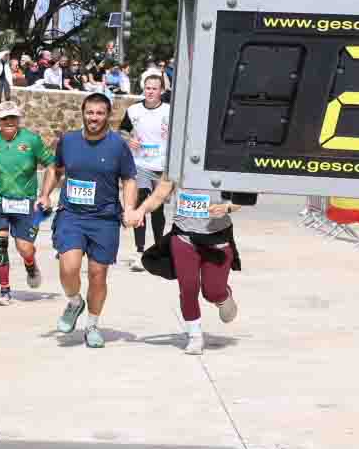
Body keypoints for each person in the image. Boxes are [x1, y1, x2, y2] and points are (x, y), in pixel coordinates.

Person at [41, 92, 141, 348]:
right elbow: (55, 169)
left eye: (99, 113)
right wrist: (45, 195)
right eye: (90, 112)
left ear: (108, 116)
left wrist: (130, 208)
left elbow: (129, 179)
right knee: (69, 268)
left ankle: (93, 326)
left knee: (98, 275)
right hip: (71, 215)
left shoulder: (118, 145)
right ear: (83, 113)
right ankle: (75, 302)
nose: (94, 118)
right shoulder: (68, 141)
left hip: (105, 218)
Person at [131, 177, 248, 354]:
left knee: (212, 292)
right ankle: (195, 336)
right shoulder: (177, 165)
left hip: (217, 238)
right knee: (188, 287)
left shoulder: (224, 165)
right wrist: (141, 210)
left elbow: (244, 196)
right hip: (183, 236)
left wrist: (227, 207)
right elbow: (159, 194)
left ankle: (223, 296)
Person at [0, 103, 52, 306]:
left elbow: (52, 165)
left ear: (18, 119)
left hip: (25, 203)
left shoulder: (32, 140)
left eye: (13, 118)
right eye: (4, 118)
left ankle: (30, 264)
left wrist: (45, 194)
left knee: (25, 248)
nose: (9, 122)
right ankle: (5, 291)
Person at [120, 71, 174, 272]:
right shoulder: (133, 110)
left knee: (157, 208)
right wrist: (128, 140)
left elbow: (182, 131)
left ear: (161, 91)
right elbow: (121, 130)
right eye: (147, 88)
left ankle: (158, 249)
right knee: (140, 203)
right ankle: (140, 251)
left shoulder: (170, 111)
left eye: (154, 89)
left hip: (162, 166)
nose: (150, 92)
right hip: (140, 164)